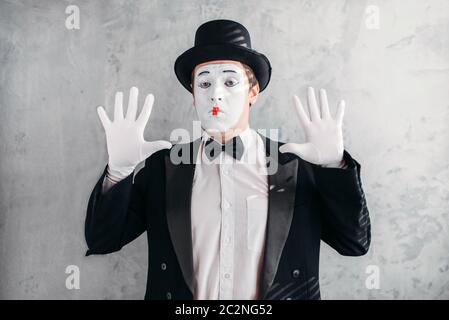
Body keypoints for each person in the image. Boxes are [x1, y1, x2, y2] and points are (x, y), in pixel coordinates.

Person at [85, 19, 371, 300]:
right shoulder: (164, 167)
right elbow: (102, 240)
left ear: (253, 92)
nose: (215, 95)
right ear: (194, 96)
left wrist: (334, 165)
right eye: (205, 83)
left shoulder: (298, 164)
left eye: (230, 81)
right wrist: (119, 171)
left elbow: (354, 243)